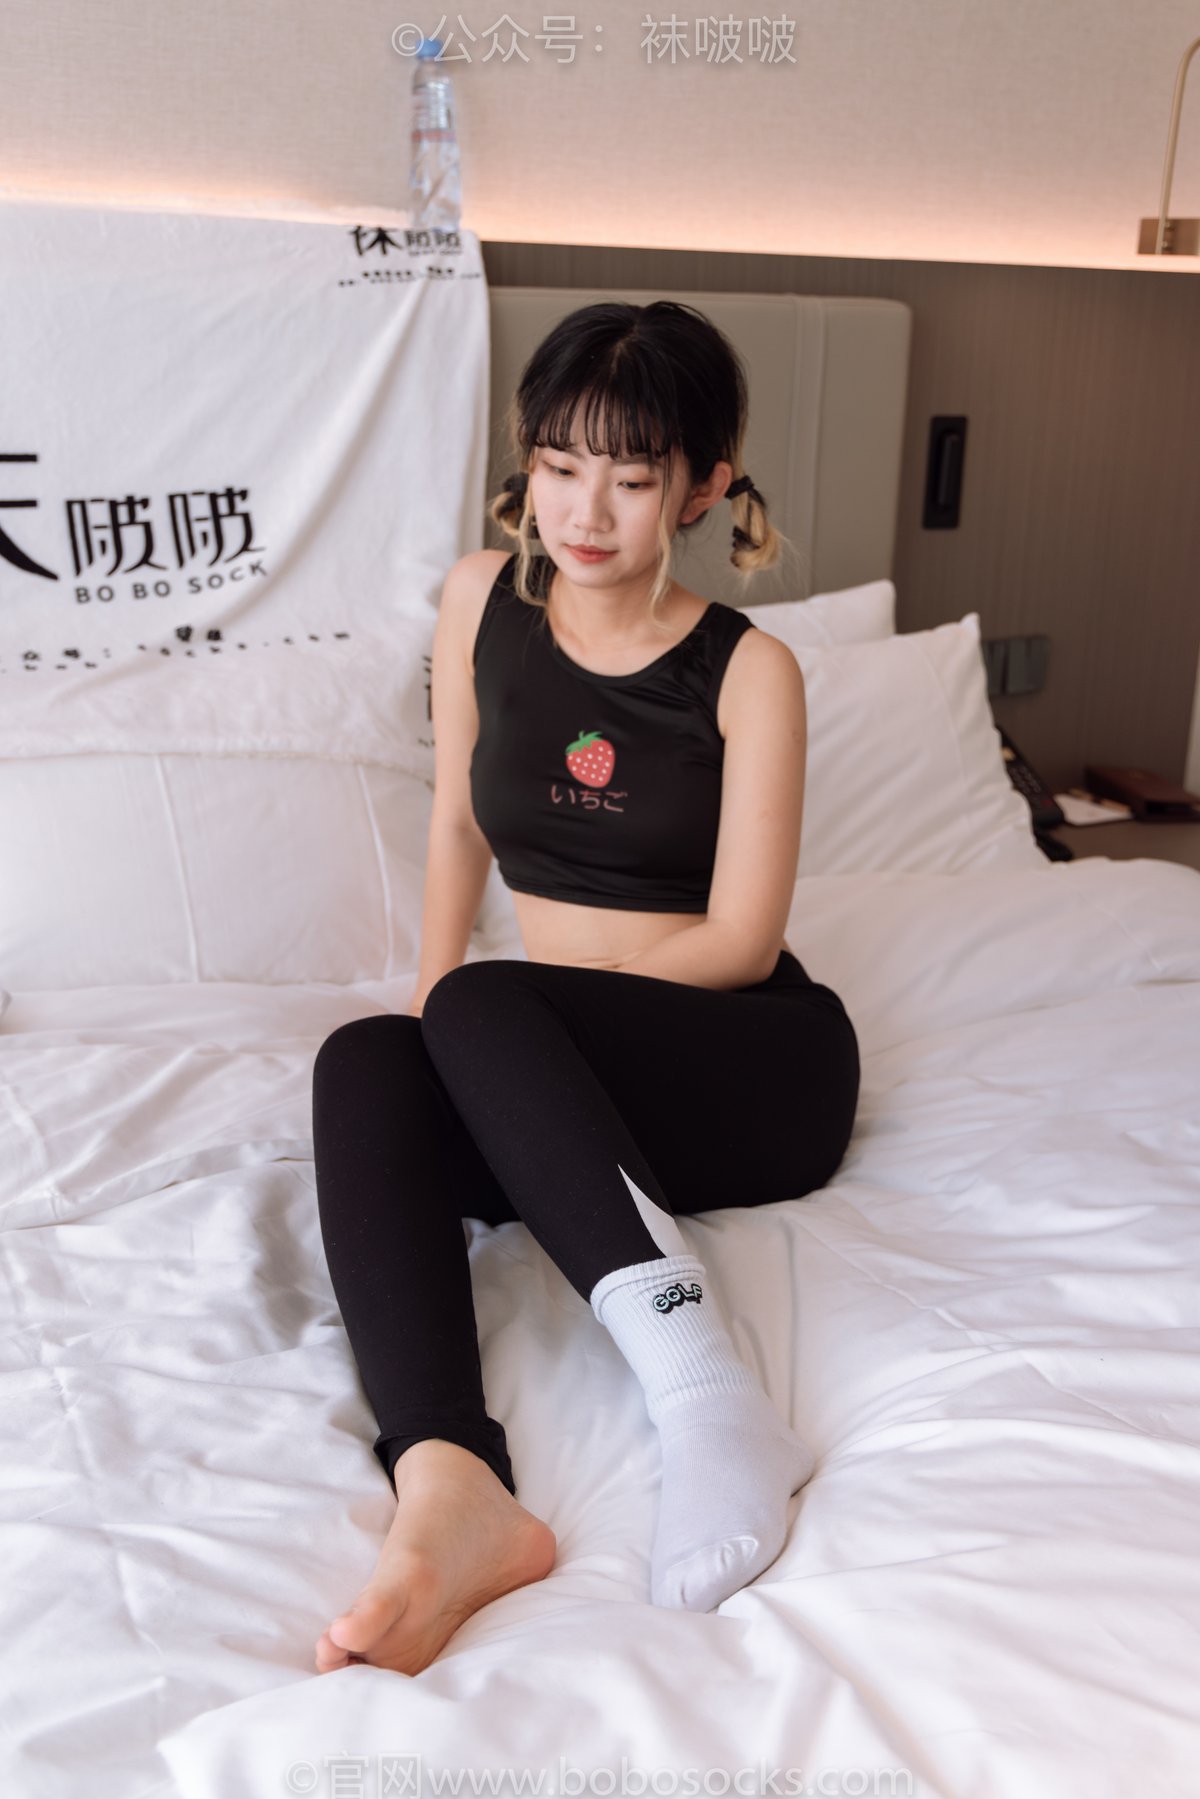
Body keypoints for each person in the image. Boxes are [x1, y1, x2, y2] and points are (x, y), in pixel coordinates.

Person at [310, 300, 861, 1677]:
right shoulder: (479, 600)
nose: (585, 511)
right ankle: (452, 1483)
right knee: (365, 1061)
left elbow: (742, 937)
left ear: (704, 486)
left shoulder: (750, 670)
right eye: (560, 466)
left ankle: (711, 1400)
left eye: (630, 476)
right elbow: (455, 823)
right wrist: (442, 1015)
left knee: (484, 1006)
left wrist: (509, 1019)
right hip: (539, 1062)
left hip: (744, 1054)